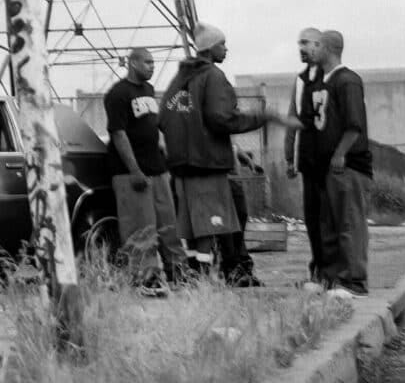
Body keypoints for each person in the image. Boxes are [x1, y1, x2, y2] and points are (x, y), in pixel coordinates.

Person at [159, 22, 301, 284]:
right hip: (207, 166)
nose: (226, 49)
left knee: (193, 228)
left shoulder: (179, 80)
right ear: (211, 48)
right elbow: (221, 119)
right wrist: (266, 116)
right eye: (222, 44)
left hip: (181, 167)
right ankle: (208, 278)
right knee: (211, 224)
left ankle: (196, 277)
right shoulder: (212, 77)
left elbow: (166, 119)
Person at [104, 46, 188, 295]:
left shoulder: (149, 91)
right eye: (148, 62)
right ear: (133, 64)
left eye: (153, 62)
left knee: (168, 225)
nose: (152, 66)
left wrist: (164, 158)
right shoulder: (118, 94)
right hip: (132, 173)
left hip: (157, 169)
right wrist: (134, 170)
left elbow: (152, 128)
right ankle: (146, 279)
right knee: (141, 229)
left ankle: (178, 273)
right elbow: (118, 134)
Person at [310, 29, 373, 295]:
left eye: (316, 45)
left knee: (350, 223)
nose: (312, 50)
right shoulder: (322, 82)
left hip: (348, 166)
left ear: (328, 48)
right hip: (327, 169)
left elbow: (354, 124)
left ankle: (354, 280)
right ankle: (331, 278)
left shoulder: (347, 80)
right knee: (329, 225)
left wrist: (340, 153)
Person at [283, 26, 325, 282]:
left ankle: (332, 270)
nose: (302, 48)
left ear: (320, 45)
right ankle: (318, 268)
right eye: (299, 43)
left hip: (329, 160)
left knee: (329, 218)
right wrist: (290, 157)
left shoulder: (332, 77)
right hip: (308, 160)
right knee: (312, 217)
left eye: (307, 43)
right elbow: (292, 117)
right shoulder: (300, 80)